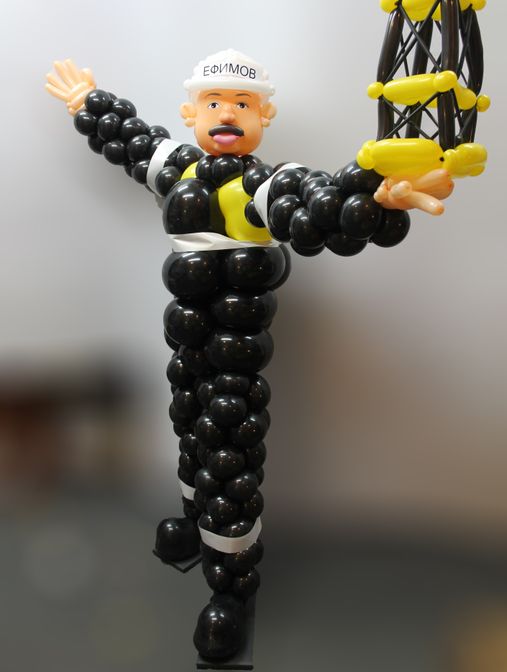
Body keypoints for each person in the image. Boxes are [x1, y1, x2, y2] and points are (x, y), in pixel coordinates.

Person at [46, 48, 452, 661]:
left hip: (237, 346)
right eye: (214, 102)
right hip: (187, 332)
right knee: (188, 423)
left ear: (265, 117)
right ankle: (192, 520)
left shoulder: (266, 184)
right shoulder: (175, 166)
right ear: (191, 113)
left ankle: (231, 588)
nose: (227, 113)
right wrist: (88, 102)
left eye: (243, 103)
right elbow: (129, 139)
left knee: (231, 450)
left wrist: (378, 196)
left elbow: (321, 208)